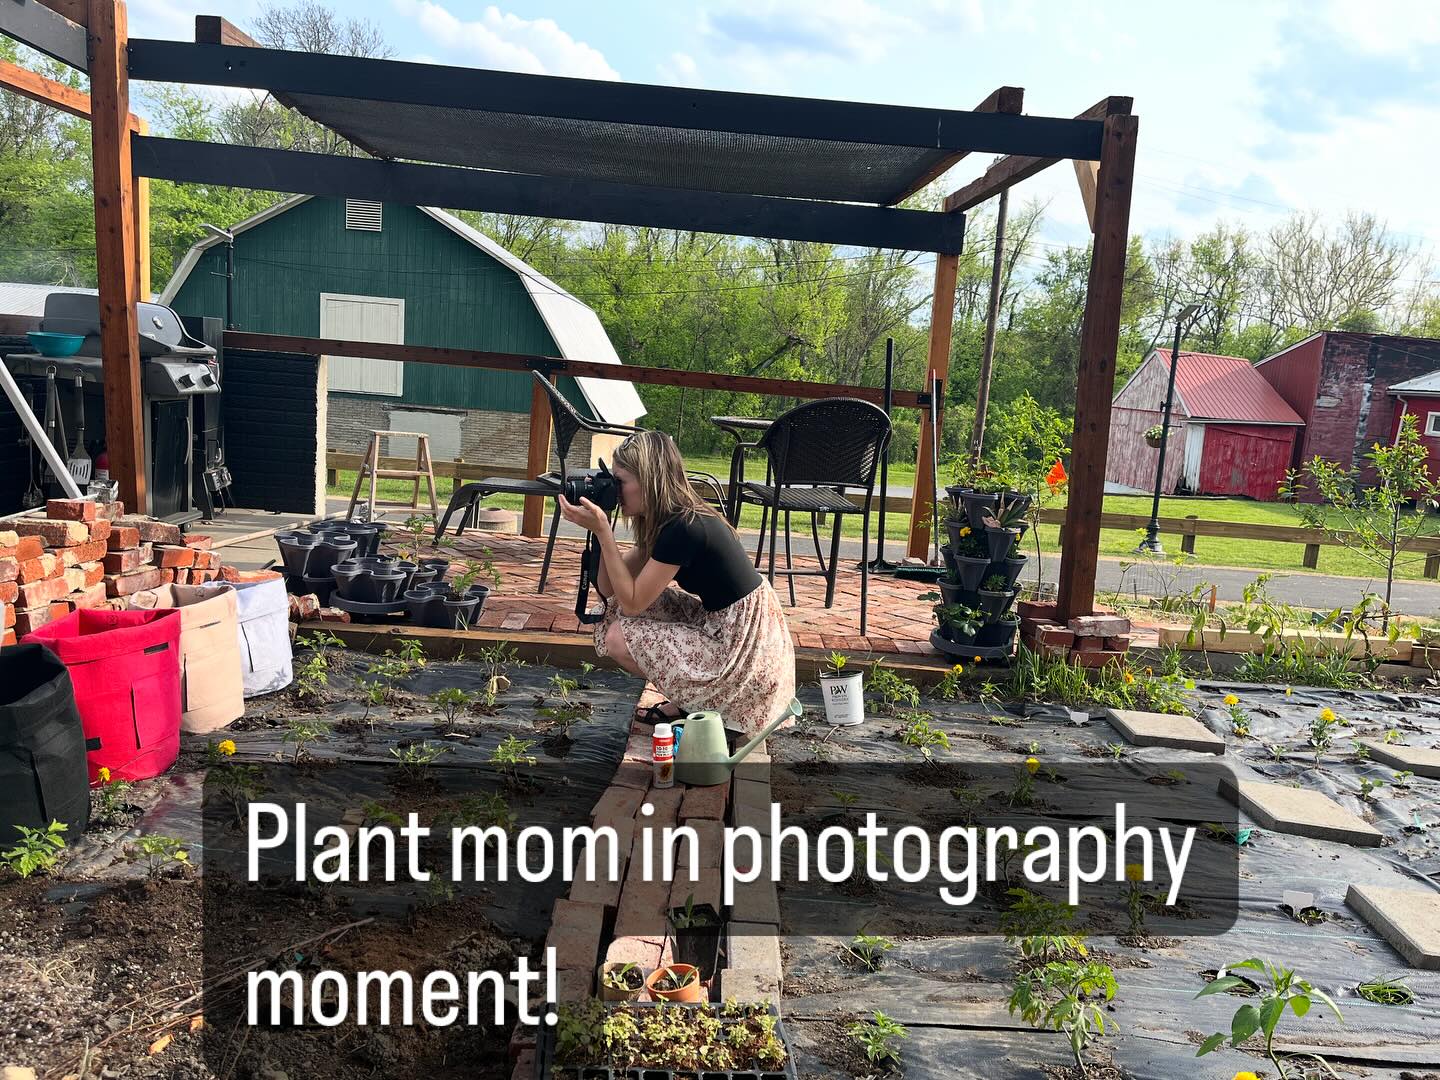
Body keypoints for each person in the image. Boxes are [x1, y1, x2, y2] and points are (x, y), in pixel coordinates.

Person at [557, 430, 795, 736]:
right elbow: (610, 591)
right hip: (722, 624)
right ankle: (693, 702)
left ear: (650, 480)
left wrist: (604, 531)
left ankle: (709, 707)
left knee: (618, 636)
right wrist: (601, 532)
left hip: (744, 649)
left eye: (621, 482)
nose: (615, 491)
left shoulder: (684, 526)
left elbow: (633, 603)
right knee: (610, 611)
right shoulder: (666, 519)